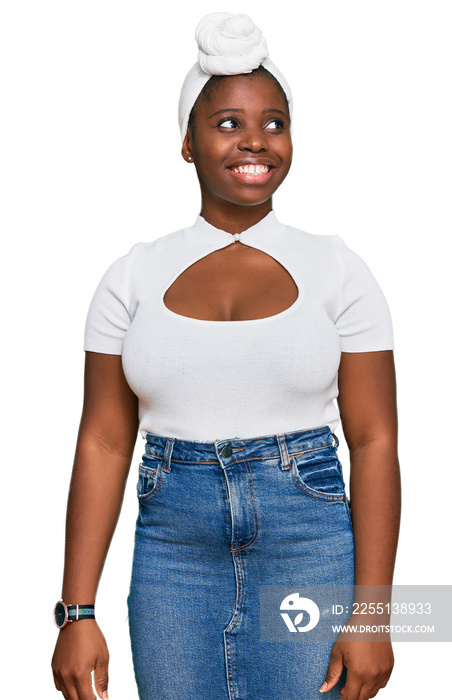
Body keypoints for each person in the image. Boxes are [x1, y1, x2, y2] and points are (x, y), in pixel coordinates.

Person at [51, 11, 401, 700]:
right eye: (228, 123)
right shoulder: (132, 276)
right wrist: (76, 611)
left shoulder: (338, 269)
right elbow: (103, 440)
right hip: (172, 555)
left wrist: (375, 613)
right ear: (187, 142)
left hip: (309, 542)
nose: (256, 142)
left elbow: (375, 438)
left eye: (274, 122)